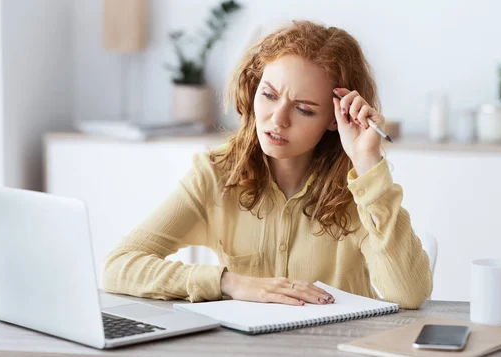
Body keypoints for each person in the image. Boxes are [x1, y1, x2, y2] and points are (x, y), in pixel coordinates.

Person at [103, 20, 432, 309]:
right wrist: (232, 283)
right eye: (269, 95)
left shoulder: (357, 187)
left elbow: (408, 294)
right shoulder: (214, 175)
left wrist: (367, 163)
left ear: (335, 119)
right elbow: (119, 267)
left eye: (304, 109)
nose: (277, 120)